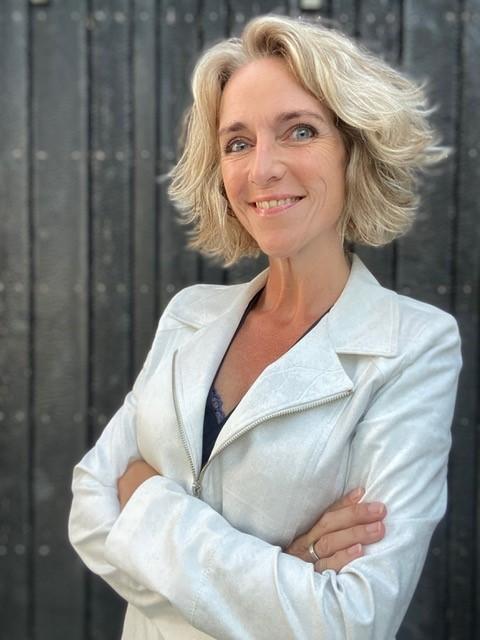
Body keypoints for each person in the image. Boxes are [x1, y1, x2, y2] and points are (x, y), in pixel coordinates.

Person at [68, 14, 462, 640]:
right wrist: (285, 568)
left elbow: (349, 620)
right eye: (237, 143)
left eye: (299, 131)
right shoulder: (190, 314)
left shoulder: (413, 346)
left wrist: (145, 503)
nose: (262, 169)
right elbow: (89, 512)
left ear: (353, 149)